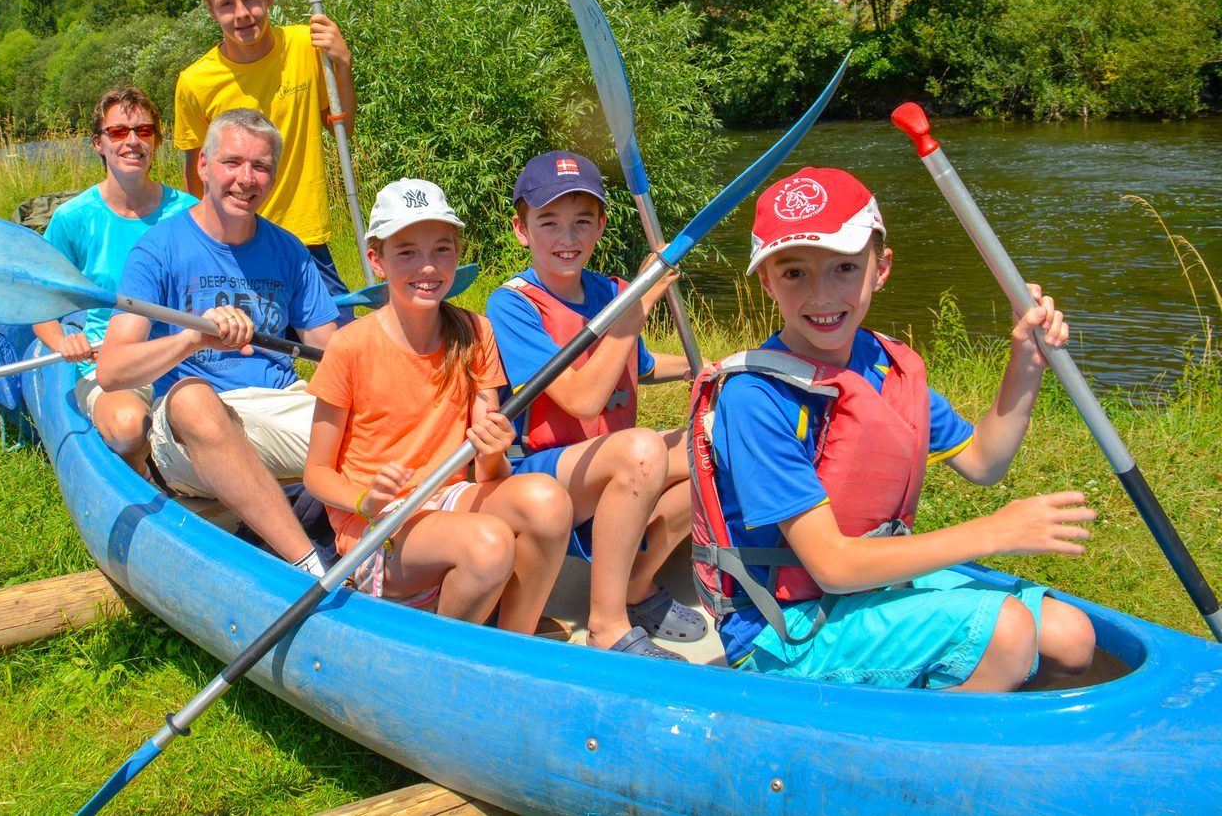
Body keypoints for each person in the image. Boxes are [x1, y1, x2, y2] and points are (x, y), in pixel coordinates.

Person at [690, 166, 1097, 691]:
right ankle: (922, 763)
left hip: (861, 593)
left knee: (1071, 636)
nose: (821, 295)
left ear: (880, 268)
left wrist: (1026, 360)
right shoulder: (756, 399)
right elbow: (831, 566)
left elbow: (985, 461)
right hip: (780, 632)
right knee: (1007, 632)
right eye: (794, 273)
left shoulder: (880, 364)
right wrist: (994, 533)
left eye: (843, 267)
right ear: (766, 281)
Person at [302, 179, 572, 632]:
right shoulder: (349, 347)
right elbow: (316, 473)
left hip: (447, 500)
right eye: (407, 251)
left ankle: (513, 642)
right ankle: (447, 656)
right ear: (377, 261)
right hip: (377, 528)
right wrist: (365, 500)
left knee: (548, 501)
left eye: (442, 250)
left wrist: (493, 448)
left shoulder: (474, 332)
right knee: (489, 544)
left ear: (456, 253)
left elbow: (488, 474)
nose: (428, 266)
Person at [96, 109, 339, 576]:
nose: (246, 179)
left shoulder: (288, 250)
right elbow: (112, 370)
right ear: (204, 166)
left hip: (278, 407)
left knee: (378, 413)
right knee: (192, 399)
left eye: (261, 166)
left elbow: (331, 350)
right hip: (193, 434)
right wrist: (191, 338)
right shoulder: (158, 249)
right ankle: (311, 567)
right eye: (232, 163)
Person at [485, 152, 704, 661]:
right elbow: (583, 400)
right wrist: (642, 302)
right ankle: (606, 625)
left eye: (583, 221)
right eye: (550, 222)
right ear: (522, 230)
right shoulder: (514, 303)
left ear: (602, 226)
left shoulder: (611, 291)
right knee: (643, 450)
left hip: (606, 457)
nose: (568, 237)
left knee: (712, 444)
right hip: (541, 471)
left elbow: (641, 365)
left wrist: (708, 366)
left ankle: (637, 584)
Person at [172, 0, 357, 311]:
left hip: (305, 238)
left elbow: (342, 129)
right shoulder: (195, 82)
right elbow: (198, 175)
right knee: (250, 357)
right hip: (235, 243)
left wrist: (344, 64)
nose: (242, 14)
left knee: (343, 345)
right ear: (211, 11)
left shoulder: (307, 45)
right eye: (226, 4)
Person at [32, 86, 196, 475]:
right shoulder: (73, 218)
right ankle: (147, 481)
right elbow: (39, 300)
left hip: (183, 351)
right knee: (127, 428)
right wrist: (61, 341)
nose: (133, 142)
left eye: (144, 131)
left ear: (156, 140)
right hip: (108, 358)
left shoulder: (190, 212)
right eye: (119, 132)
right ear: (99, 144)